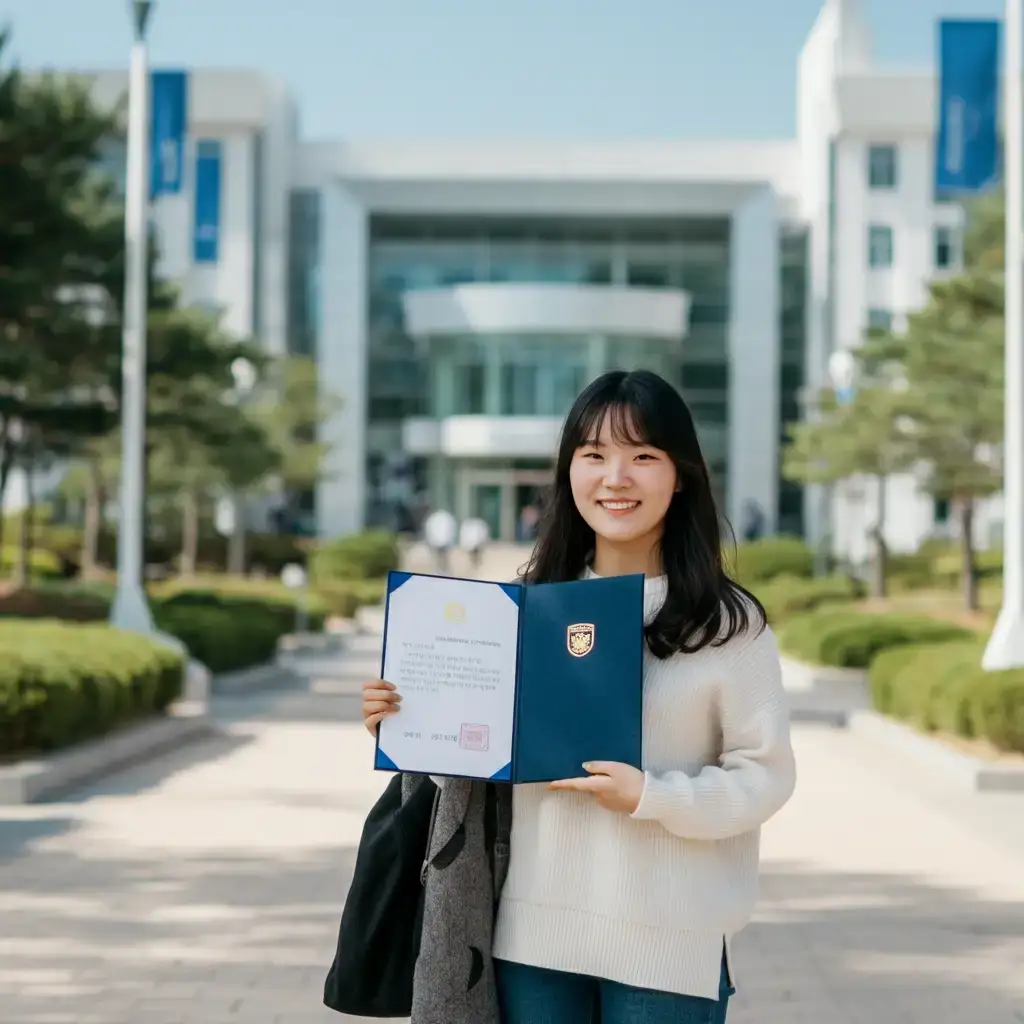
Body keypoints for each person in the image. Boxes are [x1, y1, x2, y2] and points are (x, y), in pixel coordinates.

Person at [361, 369, 797, 1024]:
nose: (615, 478)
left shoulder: (726, 625)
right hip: (529, 942)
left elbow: (766, 778)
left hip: (667, 949)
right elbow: (484, 759)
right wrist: (408, 726)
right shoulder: (522, 609)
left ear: (681, 477)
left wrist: (652, 796)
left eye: (643, 456)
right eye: (593, 455)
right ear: (569, 472)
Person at [422, 506, 457, 573]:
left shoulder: (438, 517)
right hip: (440, 541)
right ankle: (440, 570)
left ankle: (442, 570)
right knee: (440, 557)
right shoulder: (438, 517)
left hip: (441, 541)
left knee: (442, 557)